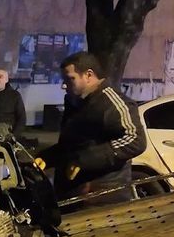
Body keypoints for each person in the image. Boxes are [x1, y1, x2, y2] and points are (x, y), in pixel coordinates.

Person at [35, 52, 146, 206]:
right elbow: (74, 144)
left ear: (88, 75)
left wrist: (84, 160)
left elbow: (136, 140)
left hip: (103, 198)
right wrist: (48, 157)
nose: (64, 85)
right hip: (74, 195)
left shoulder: (112, 103)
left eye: (70, 79)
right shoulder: (75, 102)